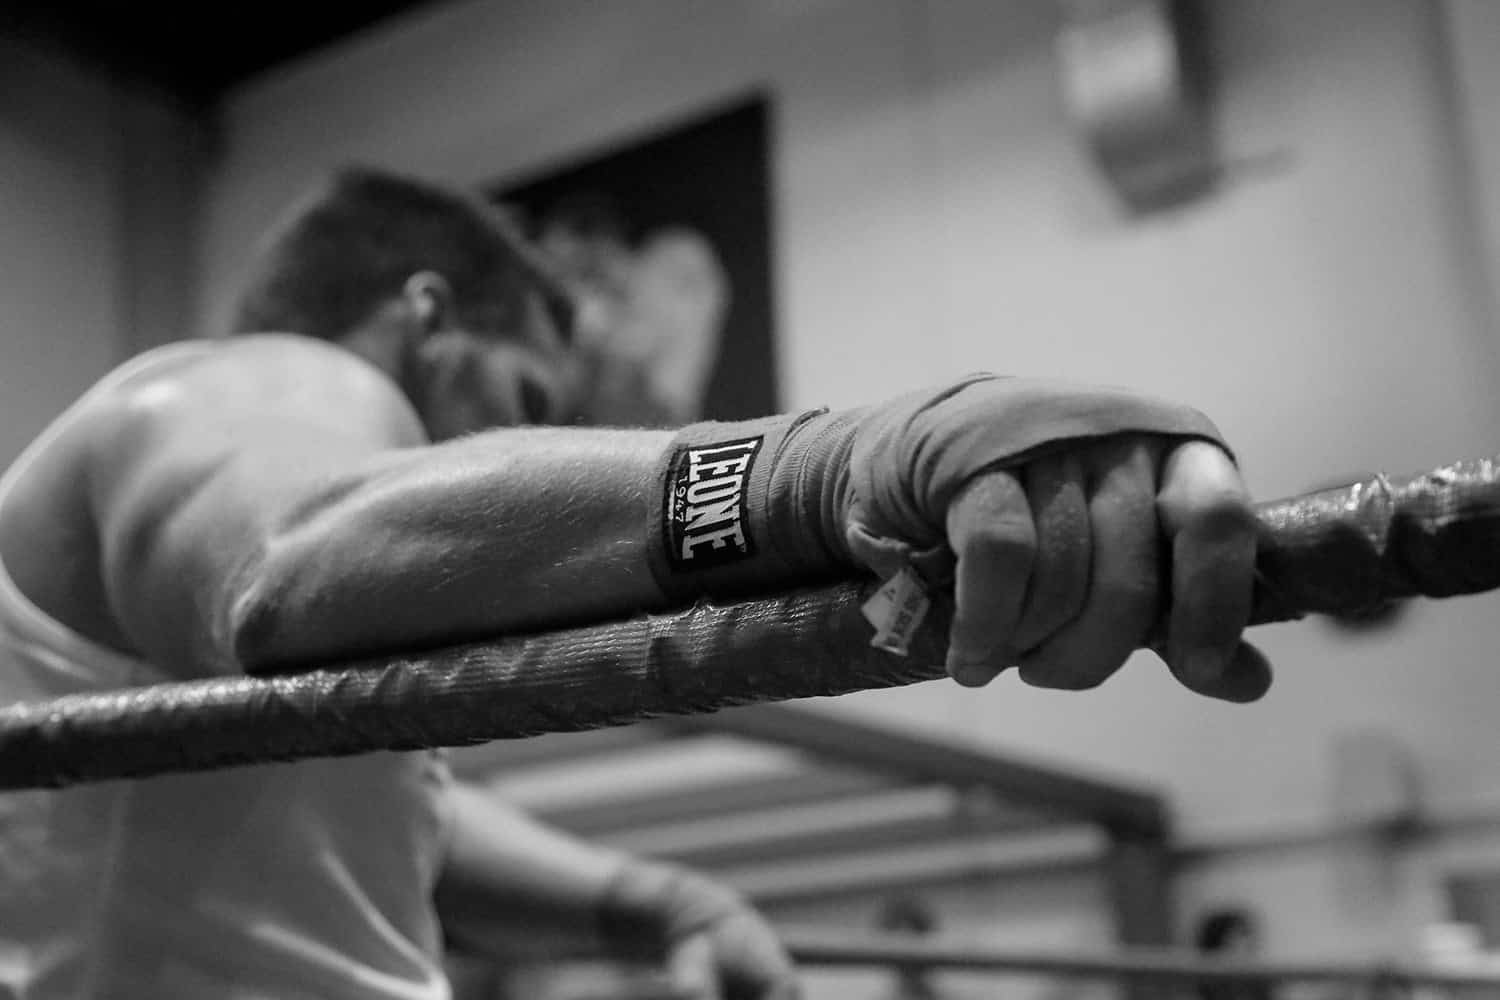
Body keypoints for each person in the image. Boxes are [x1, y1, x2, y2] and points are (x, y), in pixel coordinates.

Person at [0, 166, 1271, 1000]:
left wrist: (660, 902)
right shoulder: (243, 384)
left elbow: (391, 831)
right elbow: (290, 561)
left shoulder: (242, 629)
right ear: (425, 317)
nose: (513, 443)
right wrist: (820, 471)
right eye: (522, 397)